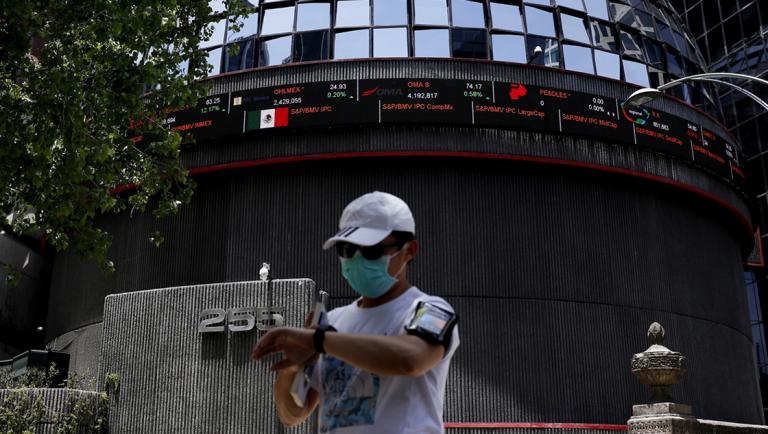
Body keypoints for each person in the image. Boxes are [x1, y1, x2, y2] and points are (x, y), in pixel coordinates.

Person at [252, 191, 460, 434]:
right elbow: (293, 414)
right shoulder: (333, 321)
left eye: (371, 250)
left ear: (409, 250)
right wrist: (293, 368)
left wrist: (319, 340)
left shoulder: (429, 309)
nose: (357, 259)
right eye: (347, 251)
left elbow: (411, 359)